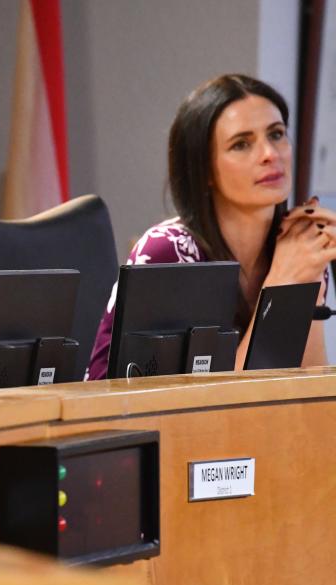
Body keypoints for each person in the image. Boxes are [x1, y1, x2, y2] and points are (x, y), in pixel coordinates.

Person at [88, 74, 335, 380]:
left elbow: (306, 390)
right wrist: (282, 284)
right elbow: (205, 405)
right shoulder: (168, 251)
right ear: (204, 169)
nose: (270, 154)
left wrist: (306, 282)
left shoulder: (297, 247)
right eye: (242, 144)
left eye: (276, 134)